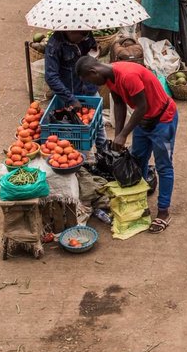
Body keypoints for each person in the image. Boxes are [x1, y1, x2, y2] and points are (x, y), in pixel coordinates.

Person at [76, 57, 178, 231]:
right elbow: (119, 104)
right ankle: (140, 199)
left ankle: (163, 212)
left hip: (163, 120)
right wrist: (117, 136)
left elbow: (142, 106)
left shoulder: (127, 75)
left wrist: (123, 135)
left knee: (164, 166)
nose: (93, 85)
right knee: (137, 161)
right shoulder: (109, 77)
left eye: (89, 80)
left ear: (94, 72)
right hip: (143, 121)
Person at [43, 31, 108, 151]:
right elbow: (51, 77)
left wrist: (95, 51)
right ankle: (81, 157)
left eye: (86, 35)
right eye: (82, 35)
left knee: (98, 125)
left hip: (89, 89)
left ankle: (105, 154)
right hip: (70, 92)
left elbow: (91, 52)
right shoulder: (55, 45)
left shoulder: (85, 34)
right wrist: (70, 99)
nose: (84, 38)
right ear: (70, 31)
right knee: (75, 131)